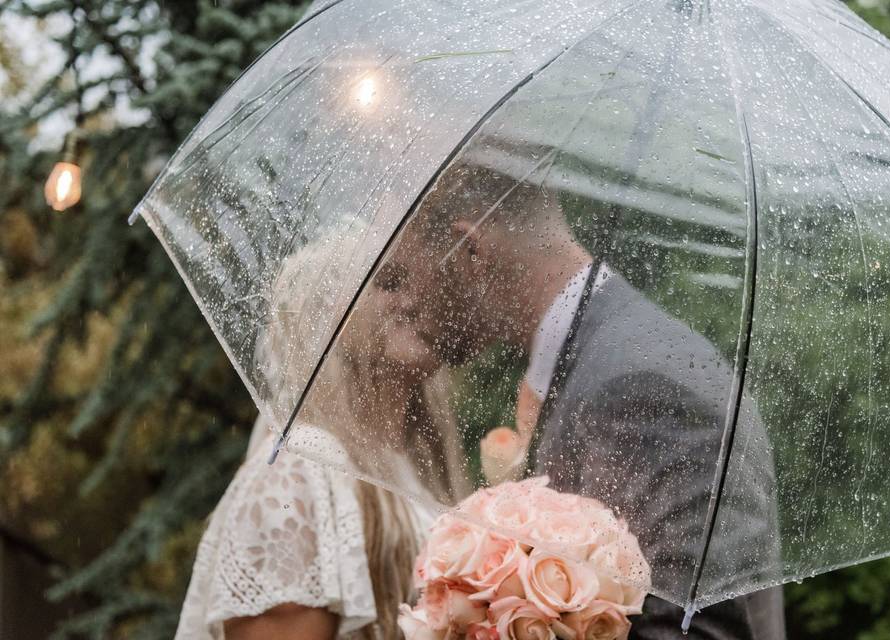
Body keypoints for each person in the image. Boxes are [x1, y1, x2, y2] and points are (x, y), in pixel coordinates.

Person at [381, 139, 786, 639]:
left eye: (406, 274)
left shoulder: (638, 388)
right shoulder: (597, 359)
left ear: (471, 252)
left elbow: (699, 629)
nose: (411, 302)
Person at [175, 245, 466, 640]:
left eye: (425, 285)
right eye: (390, 283)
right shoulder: (298, 469)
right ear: (323, 319)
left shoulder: (414, 469)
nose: (418, 300)